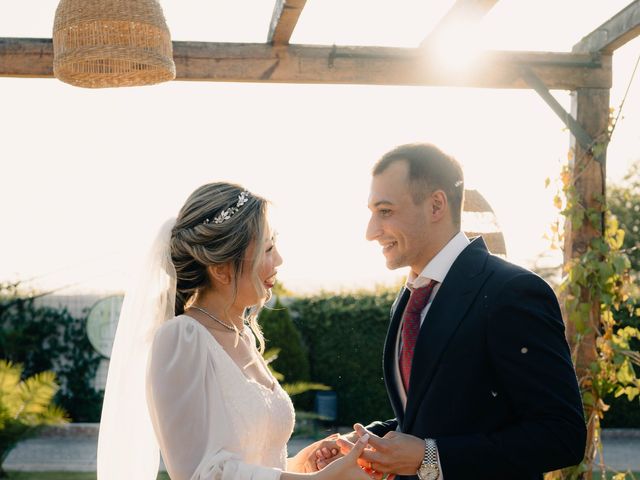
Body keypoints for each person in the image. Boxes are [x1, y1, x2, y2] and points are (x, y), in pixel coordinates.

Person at [315, 143, 586, 479]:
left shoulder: (512, 292)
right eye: (372, 212)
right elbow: (429, 415)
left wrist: (431, 457)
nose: (370, 232)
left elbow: (562, 435)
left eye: (385, 211)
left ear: (436, 205)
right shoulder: (410, 298)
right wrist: (367, 441)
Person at [97, 182, 371, 480]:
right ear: (221, 268)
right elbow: (198, 473)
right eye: (267, 249)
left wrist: (304, 464)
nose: (279, 260)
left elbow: (254, 464)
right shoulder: (181, 339)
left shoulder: (243, 336)